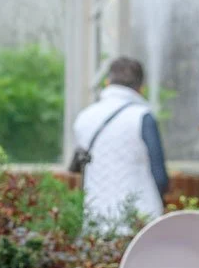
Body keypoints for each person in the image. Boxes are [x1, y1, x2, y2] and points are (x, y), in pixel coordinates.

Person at [72, 57, 167, 229]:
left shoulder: (83, 118)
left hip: (95, 217)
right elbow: (160, 176)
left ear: (107, 82)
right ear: (141, 88)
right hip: (139, 218)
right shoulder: (143, 117)